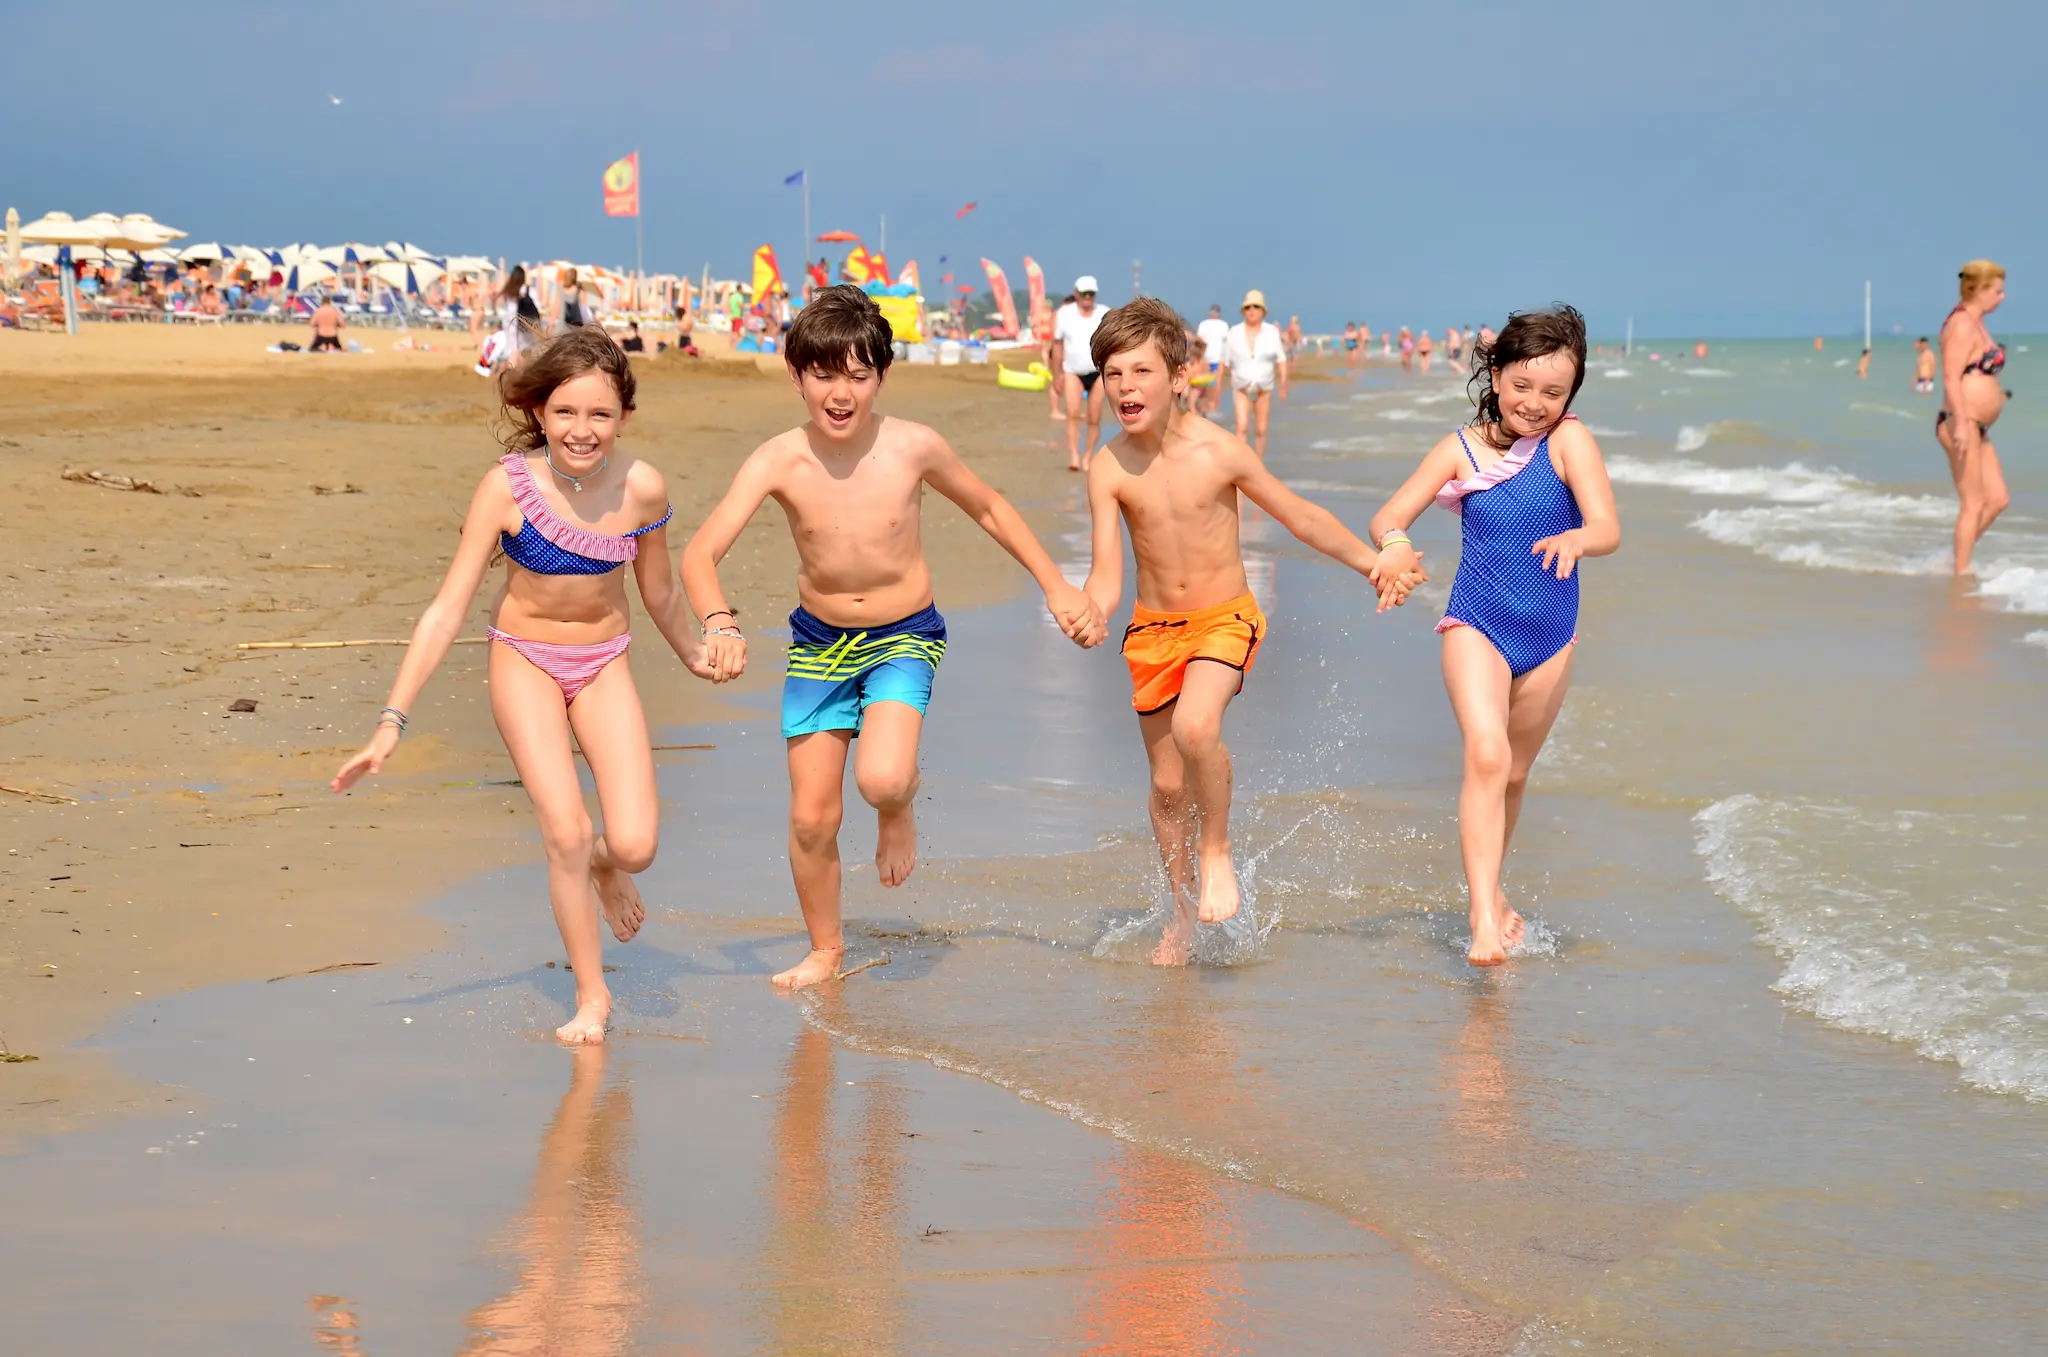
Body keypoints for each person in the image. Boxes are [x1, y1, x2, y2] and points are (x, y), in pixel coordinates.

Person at [680, 285, 1105, 991]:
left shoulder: (912, 447)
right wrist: (718, 619)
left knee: (880, 777)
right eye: (824, 374)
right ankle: (825, 948)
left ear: (882, 375)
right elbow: (700, 553)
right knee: (812, 816)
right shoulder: (779, 459)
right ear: (796, 375)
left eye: (858, 374)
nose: (841, 392)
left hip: (904, 635)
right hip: (818, 644)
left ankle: (897, 804)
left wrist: (1058, 586)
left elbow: (992, 509)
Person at [331, 329, 727, 1043]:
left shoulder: (643, 488)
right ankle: (592, 994)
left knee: (633, 844)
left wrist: (699, 650)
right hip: (526, 662)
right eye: (566, 412)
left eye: (600, 414)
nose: (583, 429)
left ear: (624, 417)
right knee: (567, 831)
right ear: (541, 412)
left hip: (604, 663)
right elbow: (448, 606)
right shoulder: (506, 486)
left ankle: (607, 870)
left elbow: (661, 592)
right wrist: (392, 719)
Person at [1082, 299, 1419, 966]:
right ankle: (1179, 913)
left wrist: (1371, 562)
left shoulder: (1220, 451)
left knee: (1197, 727)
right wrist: (1087, 609)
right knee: (1167, 786)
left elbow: (1302, 518)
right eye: (1112, 373)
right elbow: (1105, 577)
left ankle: (1217, 851)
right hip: (1152, 630)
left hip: (1224, 619)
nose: (1124, 387)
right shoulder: (1109, 466)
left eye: (1141, 370)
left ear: (1180, 376)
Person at [1367, 305, 1620, 967]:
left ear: (1571, 394)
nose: (1534, 404)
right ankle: (1483, 917)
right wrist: (1395, 546)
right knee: (1486, 753)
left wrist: (1578, 537)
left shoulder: (1571, 442)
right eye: (1522, 386)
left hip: (1550, 638)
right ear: (1497, 372)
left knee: (1513, 773)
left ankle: (1494, 890)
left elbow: (1607, 527)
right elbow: (1390, 514)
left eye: (1553, 392)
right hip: (1475, 624)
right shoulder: (1460, 448)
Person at [1938, 260, 2011, 575]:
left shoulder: (1977, 322)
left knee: (1997, 500)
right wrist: (1963, 426)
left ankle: (1953, 558)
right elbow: (1951, 378)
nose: (2002, 297)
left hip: (1977, 425)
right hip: (1961, 422)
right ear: (1979, 289)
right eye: (1997, 290)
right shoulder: (1962, 325)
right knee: (1974, 503)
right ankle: (1960, 574)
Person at [1220, 290, 1288, 457]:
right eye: (1248, 307)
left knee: (1261, 430)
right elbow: (1224, 362)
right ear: (1244, 311)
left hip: (1264, 387)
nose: (1252, 310)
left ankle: (1258, 464)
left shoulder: (1271, 332)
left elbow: (1281, 360)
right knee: (1242, 428)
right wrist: (1217, 386)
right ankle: (1241, 467)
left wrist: (1283, 386)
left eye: (1256, 307)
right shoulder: (1234, 333)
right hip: (1241, 386)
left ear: (1263, 311)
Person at [1054, 277, 1109, 470]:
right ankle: (1074, 456)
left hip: (1098, 372)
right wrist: (1056, 375)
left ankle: (1088, 456)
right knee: (1073, 413)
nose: (1087, 297)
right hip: (1071, 371)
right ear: (1076, 293)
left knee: (1094, 417)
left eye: (1091, 294)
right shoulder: (1064, 313)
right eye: (1084, 293)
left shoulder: (1104, 313)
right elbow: (1058, 345)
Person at [492, 265, 540, 371]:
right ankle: (523, 376)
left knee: (512, 353)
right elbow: (537, 308)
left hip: (511, 327)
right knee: (526, 354)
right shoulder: (529, 290)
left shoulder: (507, 292)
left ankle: (510, 377)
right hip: (526, 326)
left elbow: (505, 312)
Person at [1195, 304, 1230, 415]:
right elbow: (1227, 342)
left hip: (1206, 357)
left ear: (1211, 313)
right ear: (1219, 313)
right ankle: (1214, 406)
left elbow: (1199, 341)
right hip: (1219, 358)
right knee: (1217, 382)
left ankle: (1204, 406)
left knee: (1205, 382)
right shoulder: (1223, 325)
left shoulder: (1203, 324)